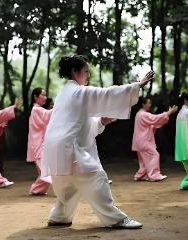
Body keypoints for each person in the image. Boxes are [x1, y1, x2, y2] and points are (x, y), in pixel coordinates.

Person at [41, 55, 154, 229]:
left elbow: (78, 121)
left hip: (56, 146)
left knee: (69, 185)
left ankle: (59, 216)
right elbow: (106, 93)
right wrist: (137, 86)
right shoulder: (78, 91)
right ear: (74, 72)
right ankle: (116, 219)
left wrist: (101, 121)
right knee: (97, 178)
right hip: (67, 146)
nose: (88, 75)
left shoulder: (64, 92)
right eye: (86, 71)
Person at [132, 97, 177, 181]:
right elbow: (154, 119)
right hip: (143, 141)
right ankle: (154, 175)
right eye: (148, 103)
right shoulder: (143, 114)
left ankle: (141, 175)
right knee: (155, 155)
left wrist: (163, 118)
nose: (150, 104)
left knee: (144, 160)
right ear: (143, 104)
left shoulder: (139, 114)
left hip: (139, 141)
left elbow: (152, 123)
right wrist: (169, 112)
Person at [27, 88, 52, 195]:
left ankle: (36, 190)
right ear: (35, 97)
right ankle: (63, 188)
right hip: (37, 145)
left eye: (45, 95)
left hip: (41, 144)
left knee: (45, 170)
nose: (45, 97)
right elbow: (48, 115)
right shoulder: (36, 110)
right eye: (43, 95)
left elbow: (47, 116)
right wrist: (60, 107)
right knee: (46, 170)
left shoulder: (38, 110)